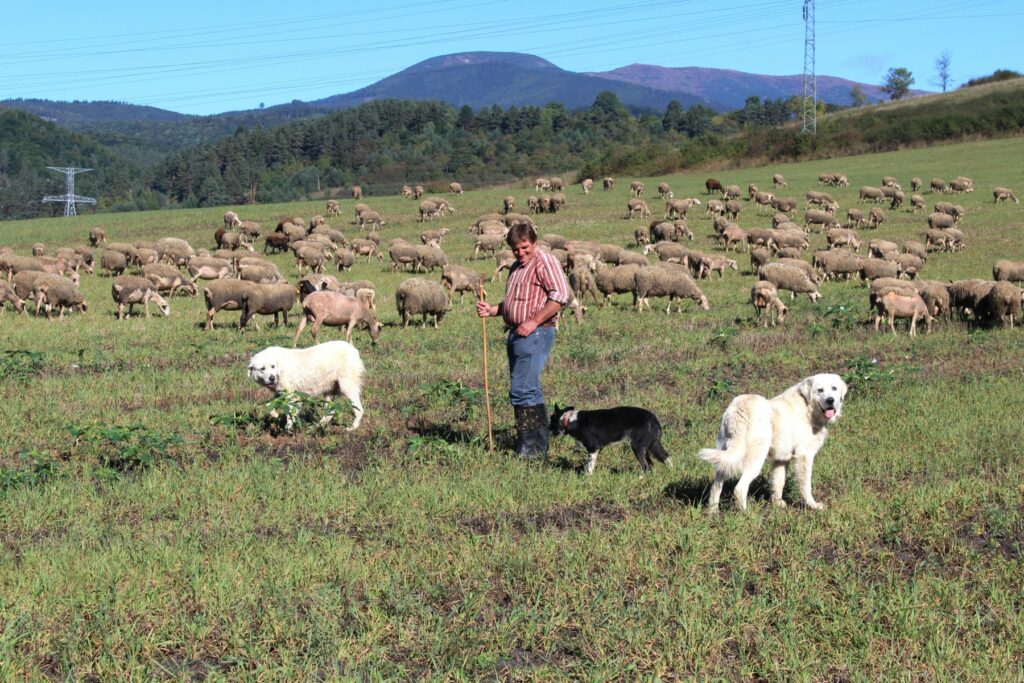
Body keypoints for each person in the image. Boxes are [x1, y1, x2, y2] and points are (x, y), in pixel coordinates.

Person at [477, 223, 571, 457]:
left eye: (525, 247)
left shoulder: (545, 262)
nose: (521, 252)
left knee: (522, 390)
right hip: (518, 333)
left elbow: (560, 296)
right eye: (516, 249)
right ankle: (538, 443)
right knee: (528, 389)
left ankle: (530, 450)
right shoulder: (517, 267)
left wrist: (532, 322)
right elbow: (515, 303)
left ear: (534, 243)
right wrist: (493, 309)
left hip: (536, 332)